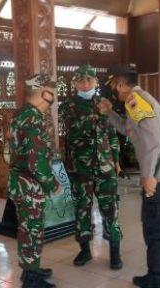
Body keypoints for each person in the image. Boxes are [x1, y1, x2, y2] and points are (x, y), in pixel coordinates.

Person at [98, 71, 160, 288]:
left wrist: (149, 176)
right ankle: (159, 277)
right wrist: (110, 113)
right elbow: (129, 130)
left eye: (113, 85)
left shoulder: (136, 100)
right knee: (153, 227)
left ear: (121, 84)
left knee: (155, 231)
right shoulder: (134, 101)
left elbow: (152, 142)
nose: (112, 90)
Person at [59, 64, 122, 270]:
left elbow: (112, 135)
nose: (85, 84)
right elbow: (73, 133)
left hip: (105, 167)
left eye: (89, 80)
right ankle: (85, 250)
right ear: (75, 83)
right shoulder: (68, 106)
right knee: (82, 209)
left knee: (110, 208)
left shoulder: (105, 103)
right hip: (80, 168)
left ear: (96, 81)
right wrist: (98, 116)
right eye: (81, 80)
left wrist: (116, 160)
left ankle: (115, 252)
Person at [7, 73, 61, 288]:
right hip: (30, 184)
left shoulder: (21, 114)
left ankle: (31, 268)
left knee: (27, 228)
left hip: (21, 182)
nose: (53, 95)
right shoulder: (33, 118)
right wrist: (52, 183)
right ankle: (30, 278)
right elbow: (36, 161)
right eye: (51, 91)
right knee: (32, 230)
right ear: (43, 93)